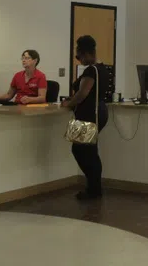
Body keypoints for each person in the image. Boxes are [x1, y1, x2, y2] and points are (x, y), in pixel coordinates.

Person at [62, 35, 109, 200]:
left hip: (88, 114)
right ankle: (94, 188)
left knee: (81, 151)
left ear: (86, 53)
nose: (79, 60)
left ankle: (93, 188)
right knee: (90, 151)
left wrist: (68, 104)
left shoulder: (91, 70)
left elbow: (82, 94)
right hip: (98, 112)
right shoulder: (102, 68)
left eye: (78, 56)